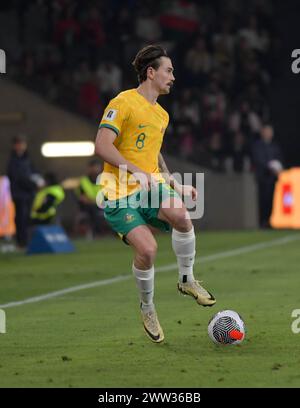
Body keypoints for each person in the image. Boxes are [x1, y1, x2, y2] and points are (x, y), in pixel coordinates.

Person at [95, 44, 216, 344]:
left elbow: (155, 156)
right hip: (118, 191)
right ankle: (147, 307)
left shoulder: (161, 115)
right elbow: (102, 145)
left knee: (182, 216)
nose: (173, 77)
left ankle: (186, 279)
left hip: (151, 187)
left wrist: (175, 184)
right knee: (148, 251)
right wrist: (134, 171)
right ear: (151, 72)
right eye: (169, 70)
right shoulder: (122, 102)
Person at [7, 135, 36, 247]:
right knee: (21, 218)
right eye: (19, 143)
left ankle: (28, 241)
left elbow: (34, 172)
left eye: (23, 143)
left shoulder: (27, 159)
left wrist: (37, 181)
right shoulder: (13, 162)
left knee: (28, 217)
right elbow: (18, 178)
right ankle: (21, 242)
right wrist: (33, 184)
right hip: (19, 195)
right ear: (15, 146)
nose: (21, 146)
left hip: (29, 194)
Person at [251, 124, 283, 228]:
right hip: (263, 177)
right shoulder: (257, 145)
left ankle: (268, 221)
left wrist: (278, 168)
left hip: (272, 178)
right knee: (263, 200)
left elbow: (279, 159)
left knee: (271, 200)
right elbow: (258, 160)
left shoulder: (274, 146)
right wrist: (270, 167)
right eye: (266, 131)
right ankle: (262, 221)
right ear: (262, 132)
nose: (268, 133)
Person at [75, 159, 105, 237]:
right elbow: (82, 197)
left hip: (101, 205)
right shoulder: (83, 181)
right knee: (92, 209)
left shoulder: (104, 180)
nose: (97, 169)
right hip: (87, 206)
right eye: (95, 167)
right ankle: (95, 232)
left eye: (98, 167)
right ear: (90, 168)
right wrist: (94, 202)